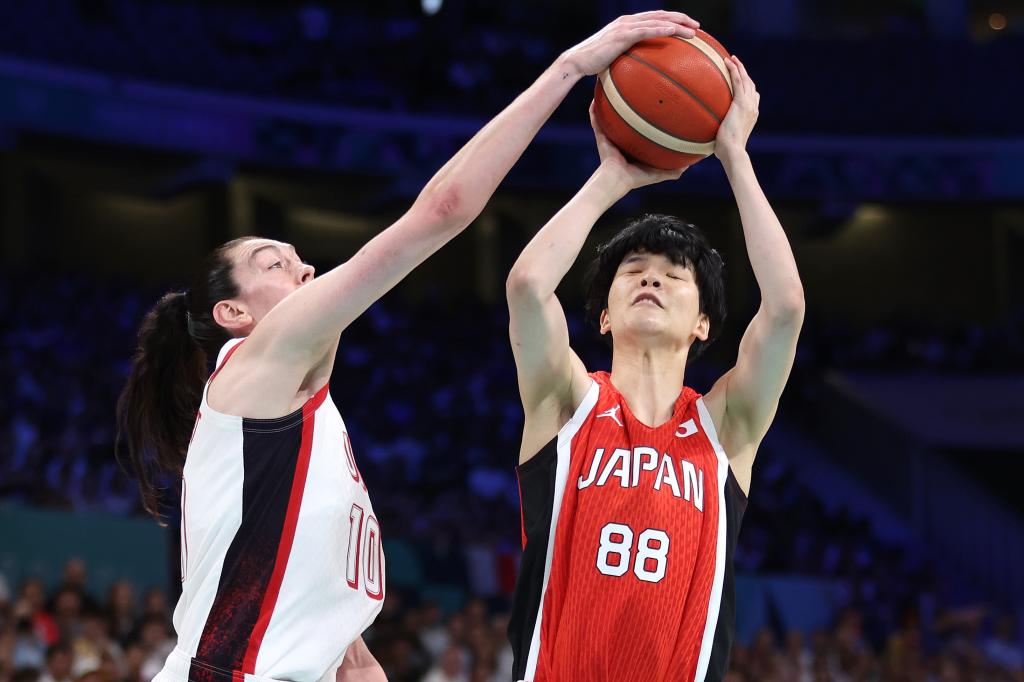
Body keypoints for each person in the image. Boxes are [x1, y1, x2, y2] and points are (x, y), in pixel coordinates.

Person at [113, 11, 701, 682]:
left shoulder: (308, 437)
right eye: (276, 263)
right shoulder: (252, 366)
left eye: (302, 260)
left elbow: (351, 660)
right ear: (232, 312)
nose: (305, 271)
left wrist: (614, 179)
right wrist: (571, 68)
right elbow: (442, 211)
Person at [505, 56, 804, 681]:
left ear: (704, 325)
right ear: (604, 316)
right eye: (633, 270)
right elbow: (530, 286)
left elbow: (785, 310)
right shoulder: (567, 401)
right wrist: (612, 177)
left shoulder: (725, 425)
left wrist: (734, 157)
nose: (652, 278)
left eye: (675, 276)